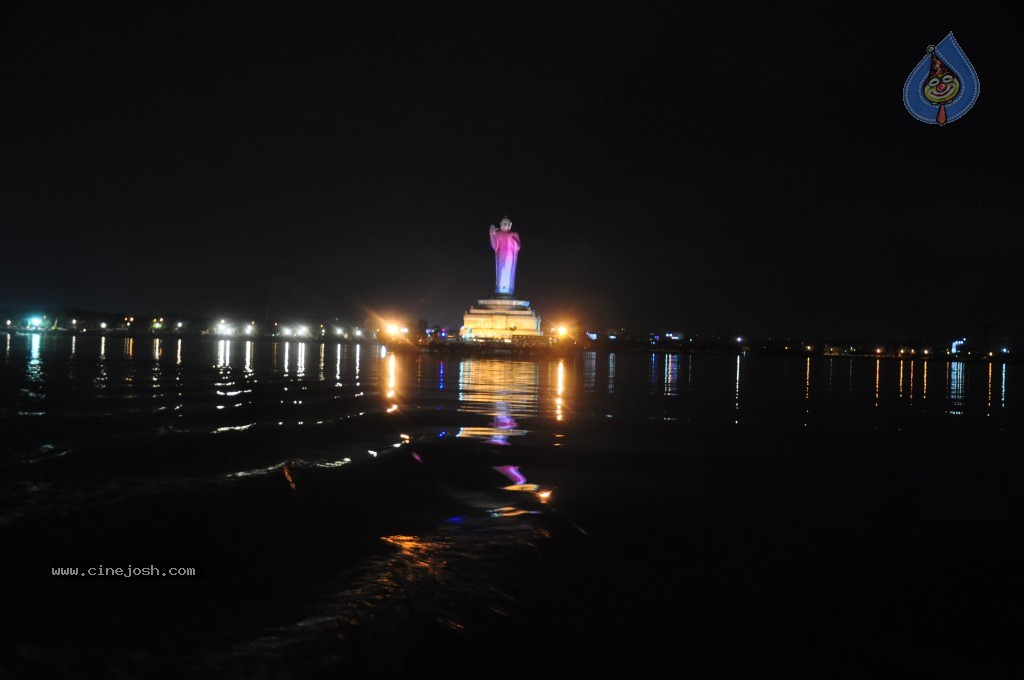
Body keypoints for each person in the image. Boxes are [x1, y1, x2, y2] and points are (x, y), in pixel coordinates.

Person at [489, 216, 520, 295]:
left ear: (510, 225)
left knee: (508, 272)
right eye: (503, 223)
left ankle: (508, 289)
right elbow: (494, 246)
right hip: (500, 256)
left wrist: (511, 238)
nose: (505, 225)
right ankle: (499, 289)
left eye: (507, 223)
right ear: (500, 224)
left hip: (510, 256)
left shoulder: (513, 234)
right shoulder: (497, 234)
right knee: (500, 272)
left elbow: (518, 247)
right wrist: (491, 234)